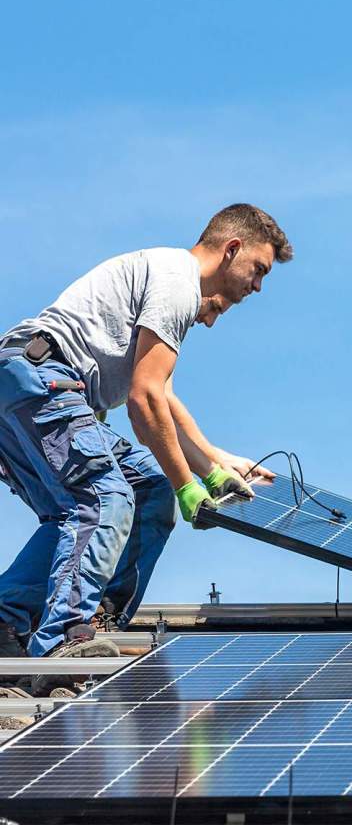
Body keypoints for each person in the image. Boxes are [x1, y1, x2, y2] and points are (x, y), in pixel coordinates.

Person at [0, 203, 292, 697]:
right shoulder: (177, 281)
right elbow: (143, 402)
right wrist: (189, 488)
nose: (257, 286)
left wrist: (216, 464)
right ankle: (63, 640)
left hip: (33, 389)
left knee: (145, 489)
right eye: (258, 270)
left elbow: (165, 403)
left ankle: (14, 623)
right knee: (106, 500)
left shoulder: (166, 282)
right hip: (41, 381)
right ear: (232, 249)